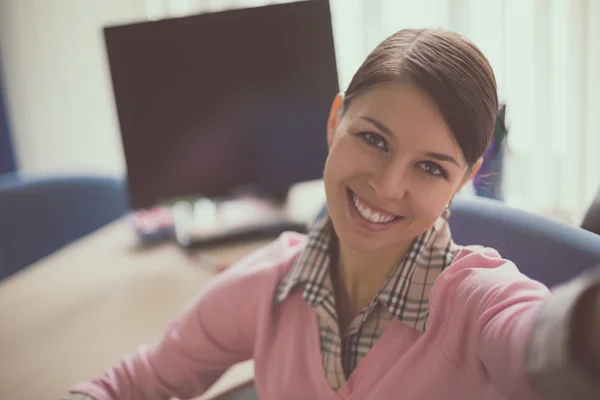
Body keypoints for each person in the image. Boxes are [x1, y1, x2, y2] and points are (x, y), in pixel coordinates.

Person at [63, 28, 600, 400]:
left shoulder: (479, 301)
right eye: (373, 139)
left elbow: (536, 344)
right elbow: (139, 381)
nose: (387, 186)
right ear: (335, 119)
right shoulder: (267, 286)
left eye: (431, 169)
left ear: (464, 179)